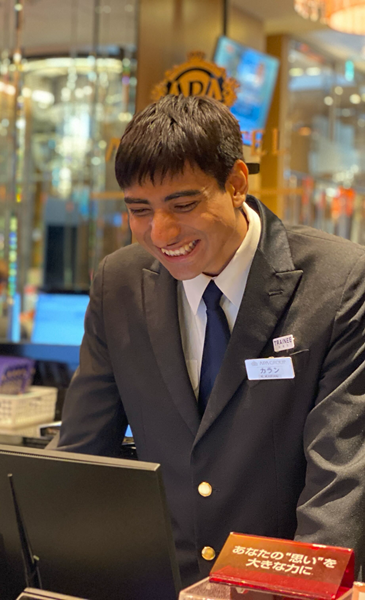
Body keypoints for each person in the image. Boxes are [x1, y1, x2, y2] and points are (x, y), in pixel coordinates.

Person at [56, 94, 365, 586]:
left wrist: (302, 592)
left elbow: (340, 474)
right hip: (160, 580)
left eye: (183, 205)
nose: (161, 232)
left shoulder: (339, 279)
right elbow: (83, 454)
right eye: (139, 210)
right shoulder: (119, 283)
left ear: (236, 184)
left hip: (276, 586)